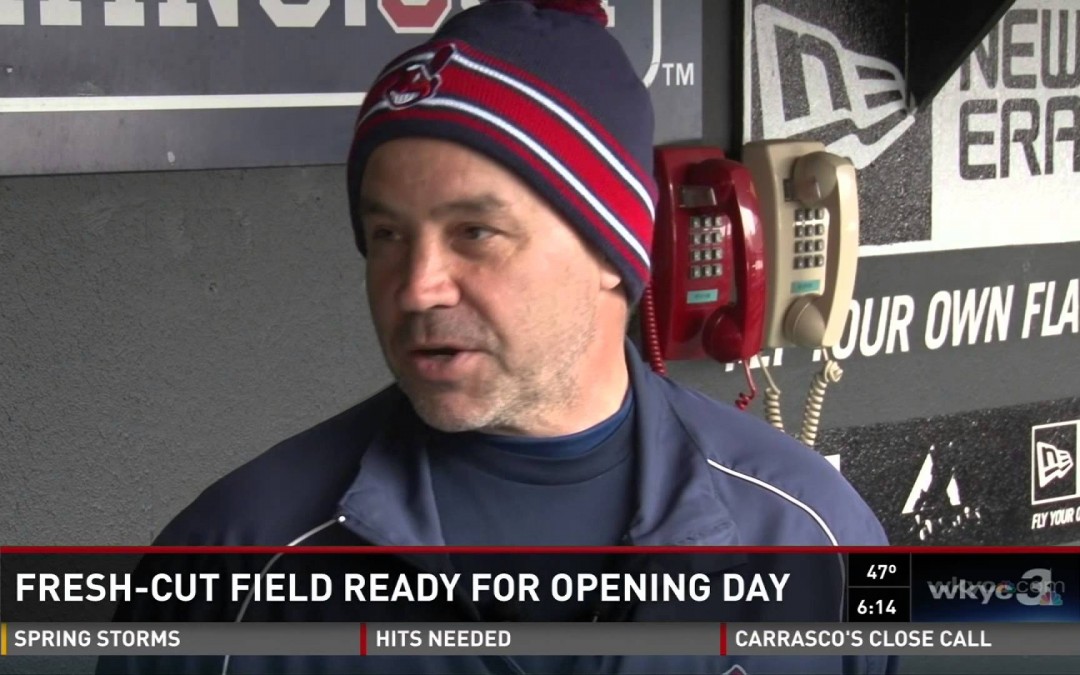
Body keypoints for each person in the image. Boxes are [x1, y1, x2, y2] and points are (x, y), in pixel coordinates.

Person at [98, 1, 892, 673]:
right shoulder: (230, 566)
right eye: (386, 236)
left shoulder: (818, 539)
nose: (415, 286)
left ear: (612, 252)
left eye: (475, 231)